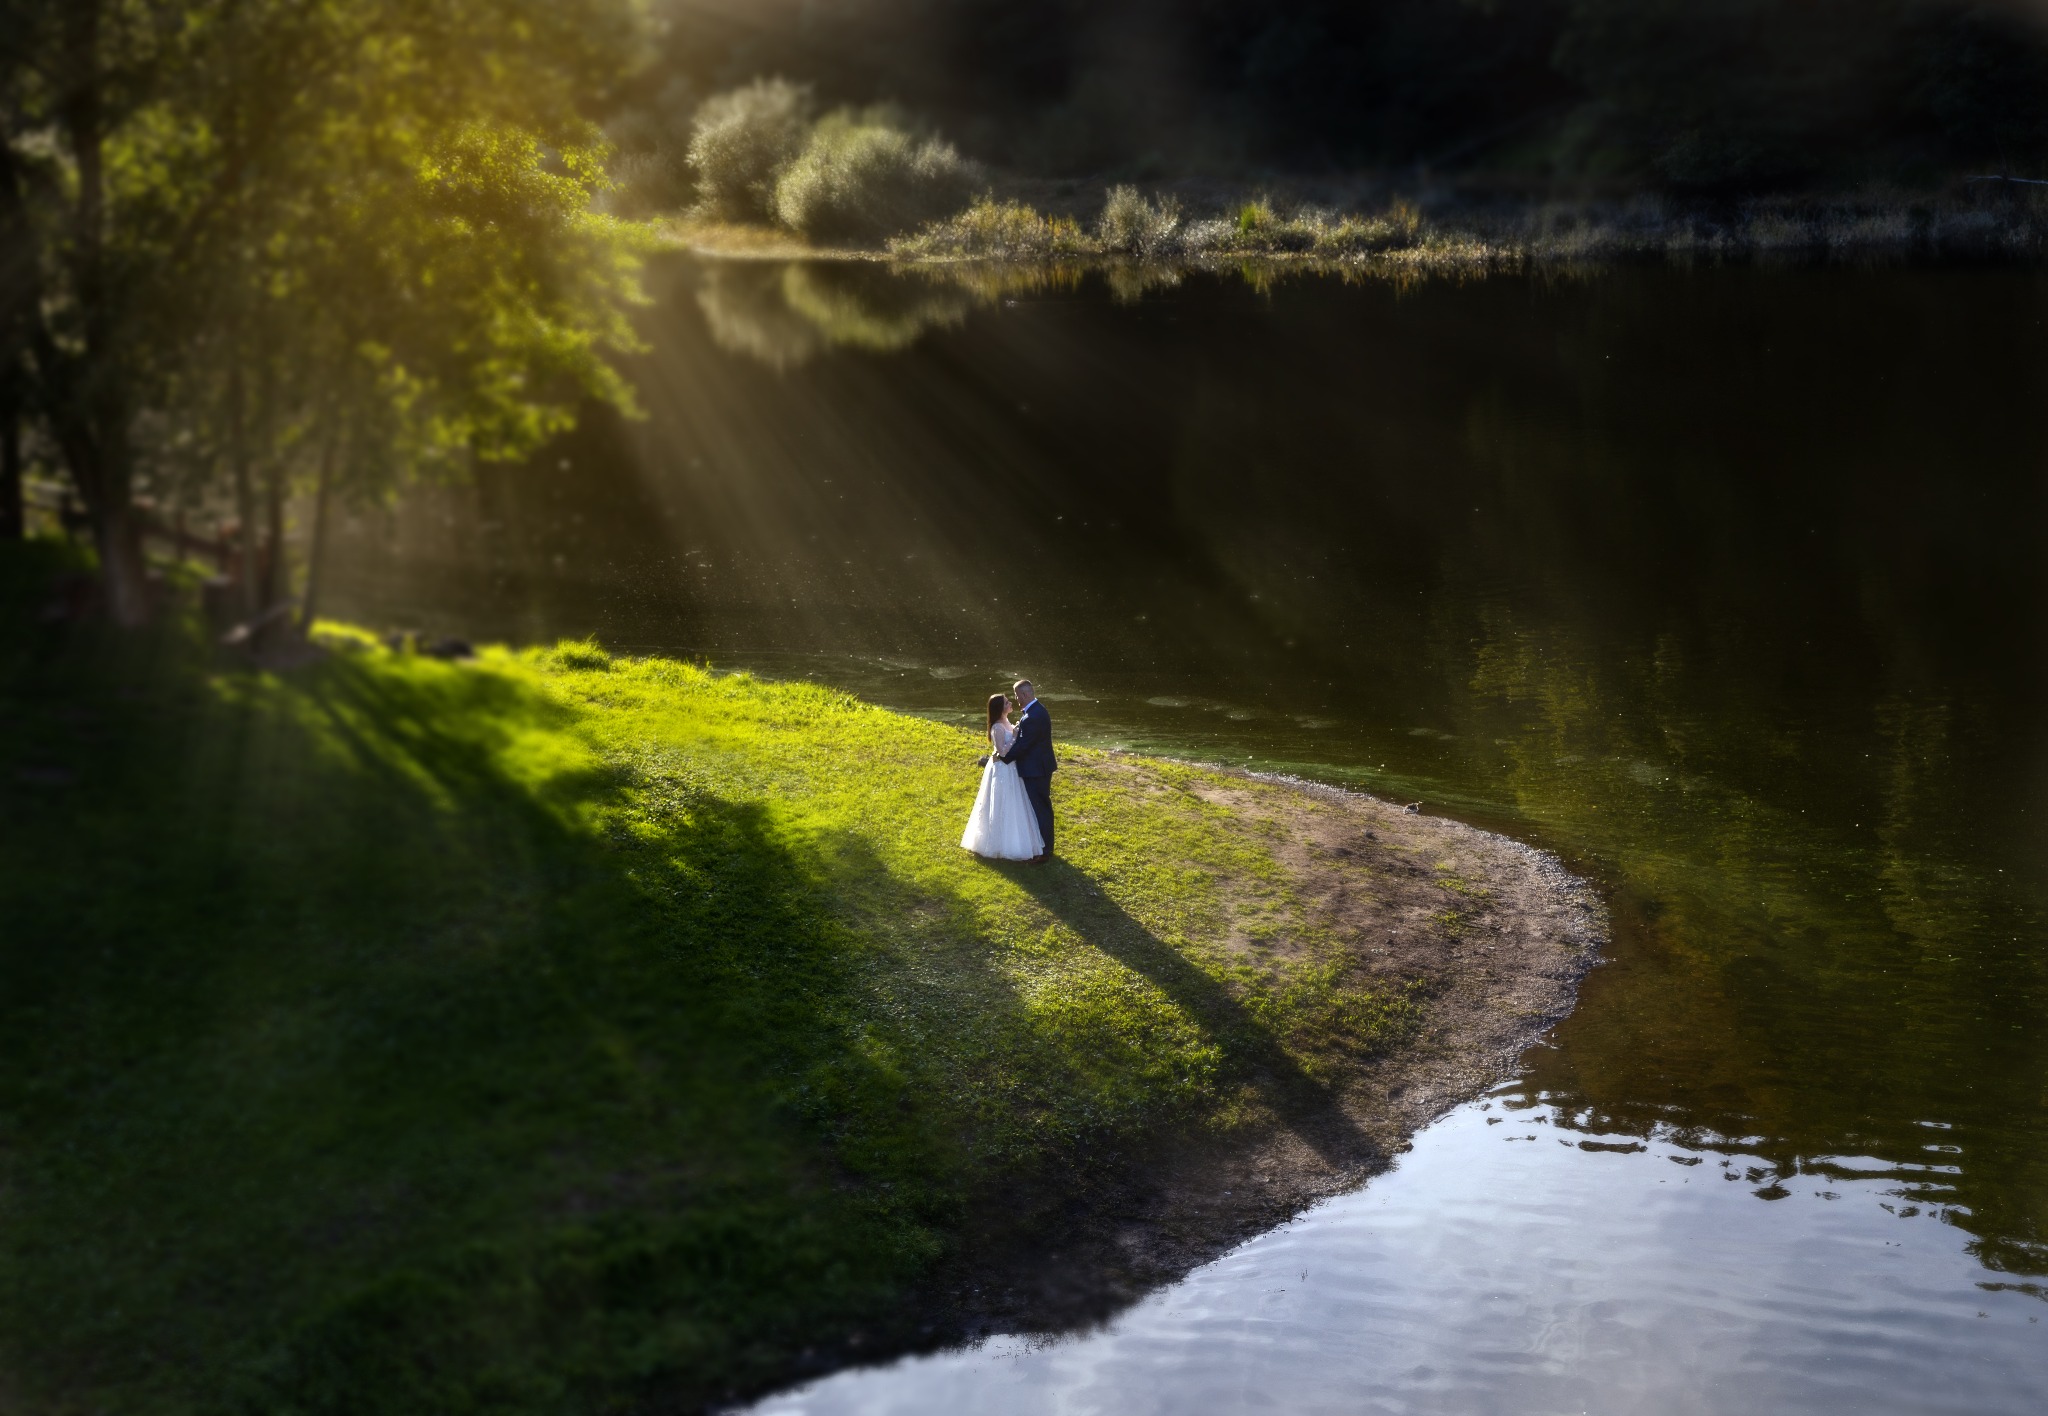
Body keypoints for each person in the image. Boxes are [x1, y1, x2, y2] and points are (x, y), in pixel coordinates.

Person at [959, 692, 1046, 862]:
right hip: (1002, 768)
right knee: (1002, 801)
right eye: (1007, 702)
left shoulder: (1007, 722)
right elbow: (1002, 751)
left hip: (1012, 768)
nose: (1010, 703)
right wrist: (1014, 737)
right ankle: (998, 843)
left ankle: (1018, 840)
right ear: (1000, 708)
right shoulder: (997, 727)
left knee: (1016, 802)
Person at [997, 678, 1056, 863]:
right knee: (1040, 808)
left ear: (1024, 694)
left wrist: (1003, 758)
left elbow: (1024, 746)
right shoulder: (1036, 711)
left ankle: (1045, 851)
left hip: (1036, 770)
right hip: (1038, 767)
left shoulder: (1033, 716)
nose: (1016, 699)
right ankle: (1042, 846)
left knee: (1040, 809)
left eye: (1016, 695)